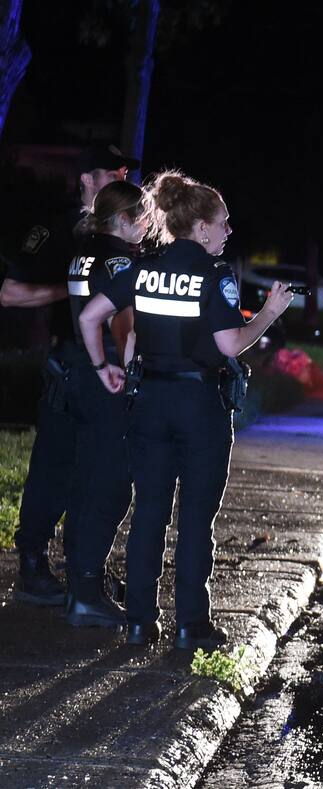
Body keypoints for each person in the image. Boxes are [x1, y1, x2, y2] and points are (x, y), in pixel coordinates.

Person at [79, 170, 293, 649]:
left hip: (149, 405)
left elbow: (92, 316)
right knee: (195, 517)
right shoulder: (213, 275)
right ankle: (190, 626)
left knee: (149, 513)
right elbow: (229, 345)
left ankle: (139, 622)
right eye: (223, 223)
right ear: (200, 228)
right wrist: (269, 313)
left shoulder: (144, 268)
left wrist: (102, 368)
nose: (228, 231)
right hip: (198, 406)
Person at [1, 143, 138, 606]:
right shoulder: (60, 229)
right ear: (86, 179)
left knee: (94, 472)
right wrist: (78, 291)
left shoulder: (116, 235)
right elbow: (10, 294)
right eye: (112, 173)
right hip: (70, 363)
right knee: (54, 468)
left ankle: (85, 570)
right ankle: (33, 564)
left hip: (101, 369)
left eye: (125, 173)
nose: (122, 178)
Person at [61, 180, 147, 627]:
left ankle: (80, 579)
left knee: (84, 480)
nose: (148, 225)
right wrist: (119, 370)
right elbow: (120, 325)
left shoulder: (84, 251)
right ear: (124, 219)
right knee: (111, 486)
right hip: (106, 380)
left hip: (77, 375)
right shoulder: (119, 260)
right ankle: (86, 591)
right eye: (143, 217)